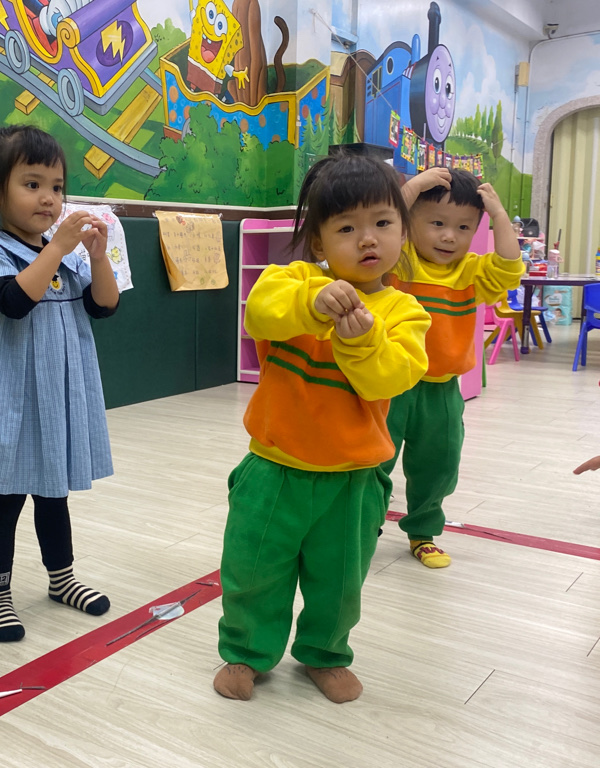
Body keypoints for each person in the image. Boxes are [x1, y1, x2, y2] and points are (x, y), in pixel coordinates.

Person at [214, 153, 430, 704]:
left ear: (403, 233)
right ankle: (245, 652)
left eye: (382, 223)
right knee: (253, 571)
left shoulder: (405, 312)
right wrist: (313, 304)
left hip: (353, 481)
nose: (368, 239)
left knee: (339, 582)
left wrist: (361, 339)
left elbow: (389, 378)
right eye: (346, 228)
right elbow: (260, 313)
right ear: (318, 243)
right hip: (273, 468)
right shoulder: (294, 280)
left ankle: (324, 653)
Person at [0, 125, 120, 642]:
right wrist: (61, 246)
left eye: (57, 187)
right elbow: (15, 302)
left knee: (54, 494)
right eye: (32, 184)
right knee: (5, 499)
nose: (49, 198)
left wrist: (96, 255)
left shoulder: (65, 252)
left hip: (58, 396)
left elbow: (104, 305)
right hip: (10, 399)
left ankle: (61, 579)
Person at [380, 167, 523, 568]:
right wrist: (410, 189)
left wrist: (499, 216)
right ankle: (362, 524)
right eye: (437, 223)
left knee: (439, 465)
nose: (449, 236)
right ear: (410, 222)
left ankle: (422, 532)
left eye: (463, 227)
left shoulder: (471, 272)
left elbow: (510, 265)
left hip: (442, 390)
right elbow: (384, 227)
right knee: (374, 460)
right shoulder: (399, 260)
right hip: (388, 384)